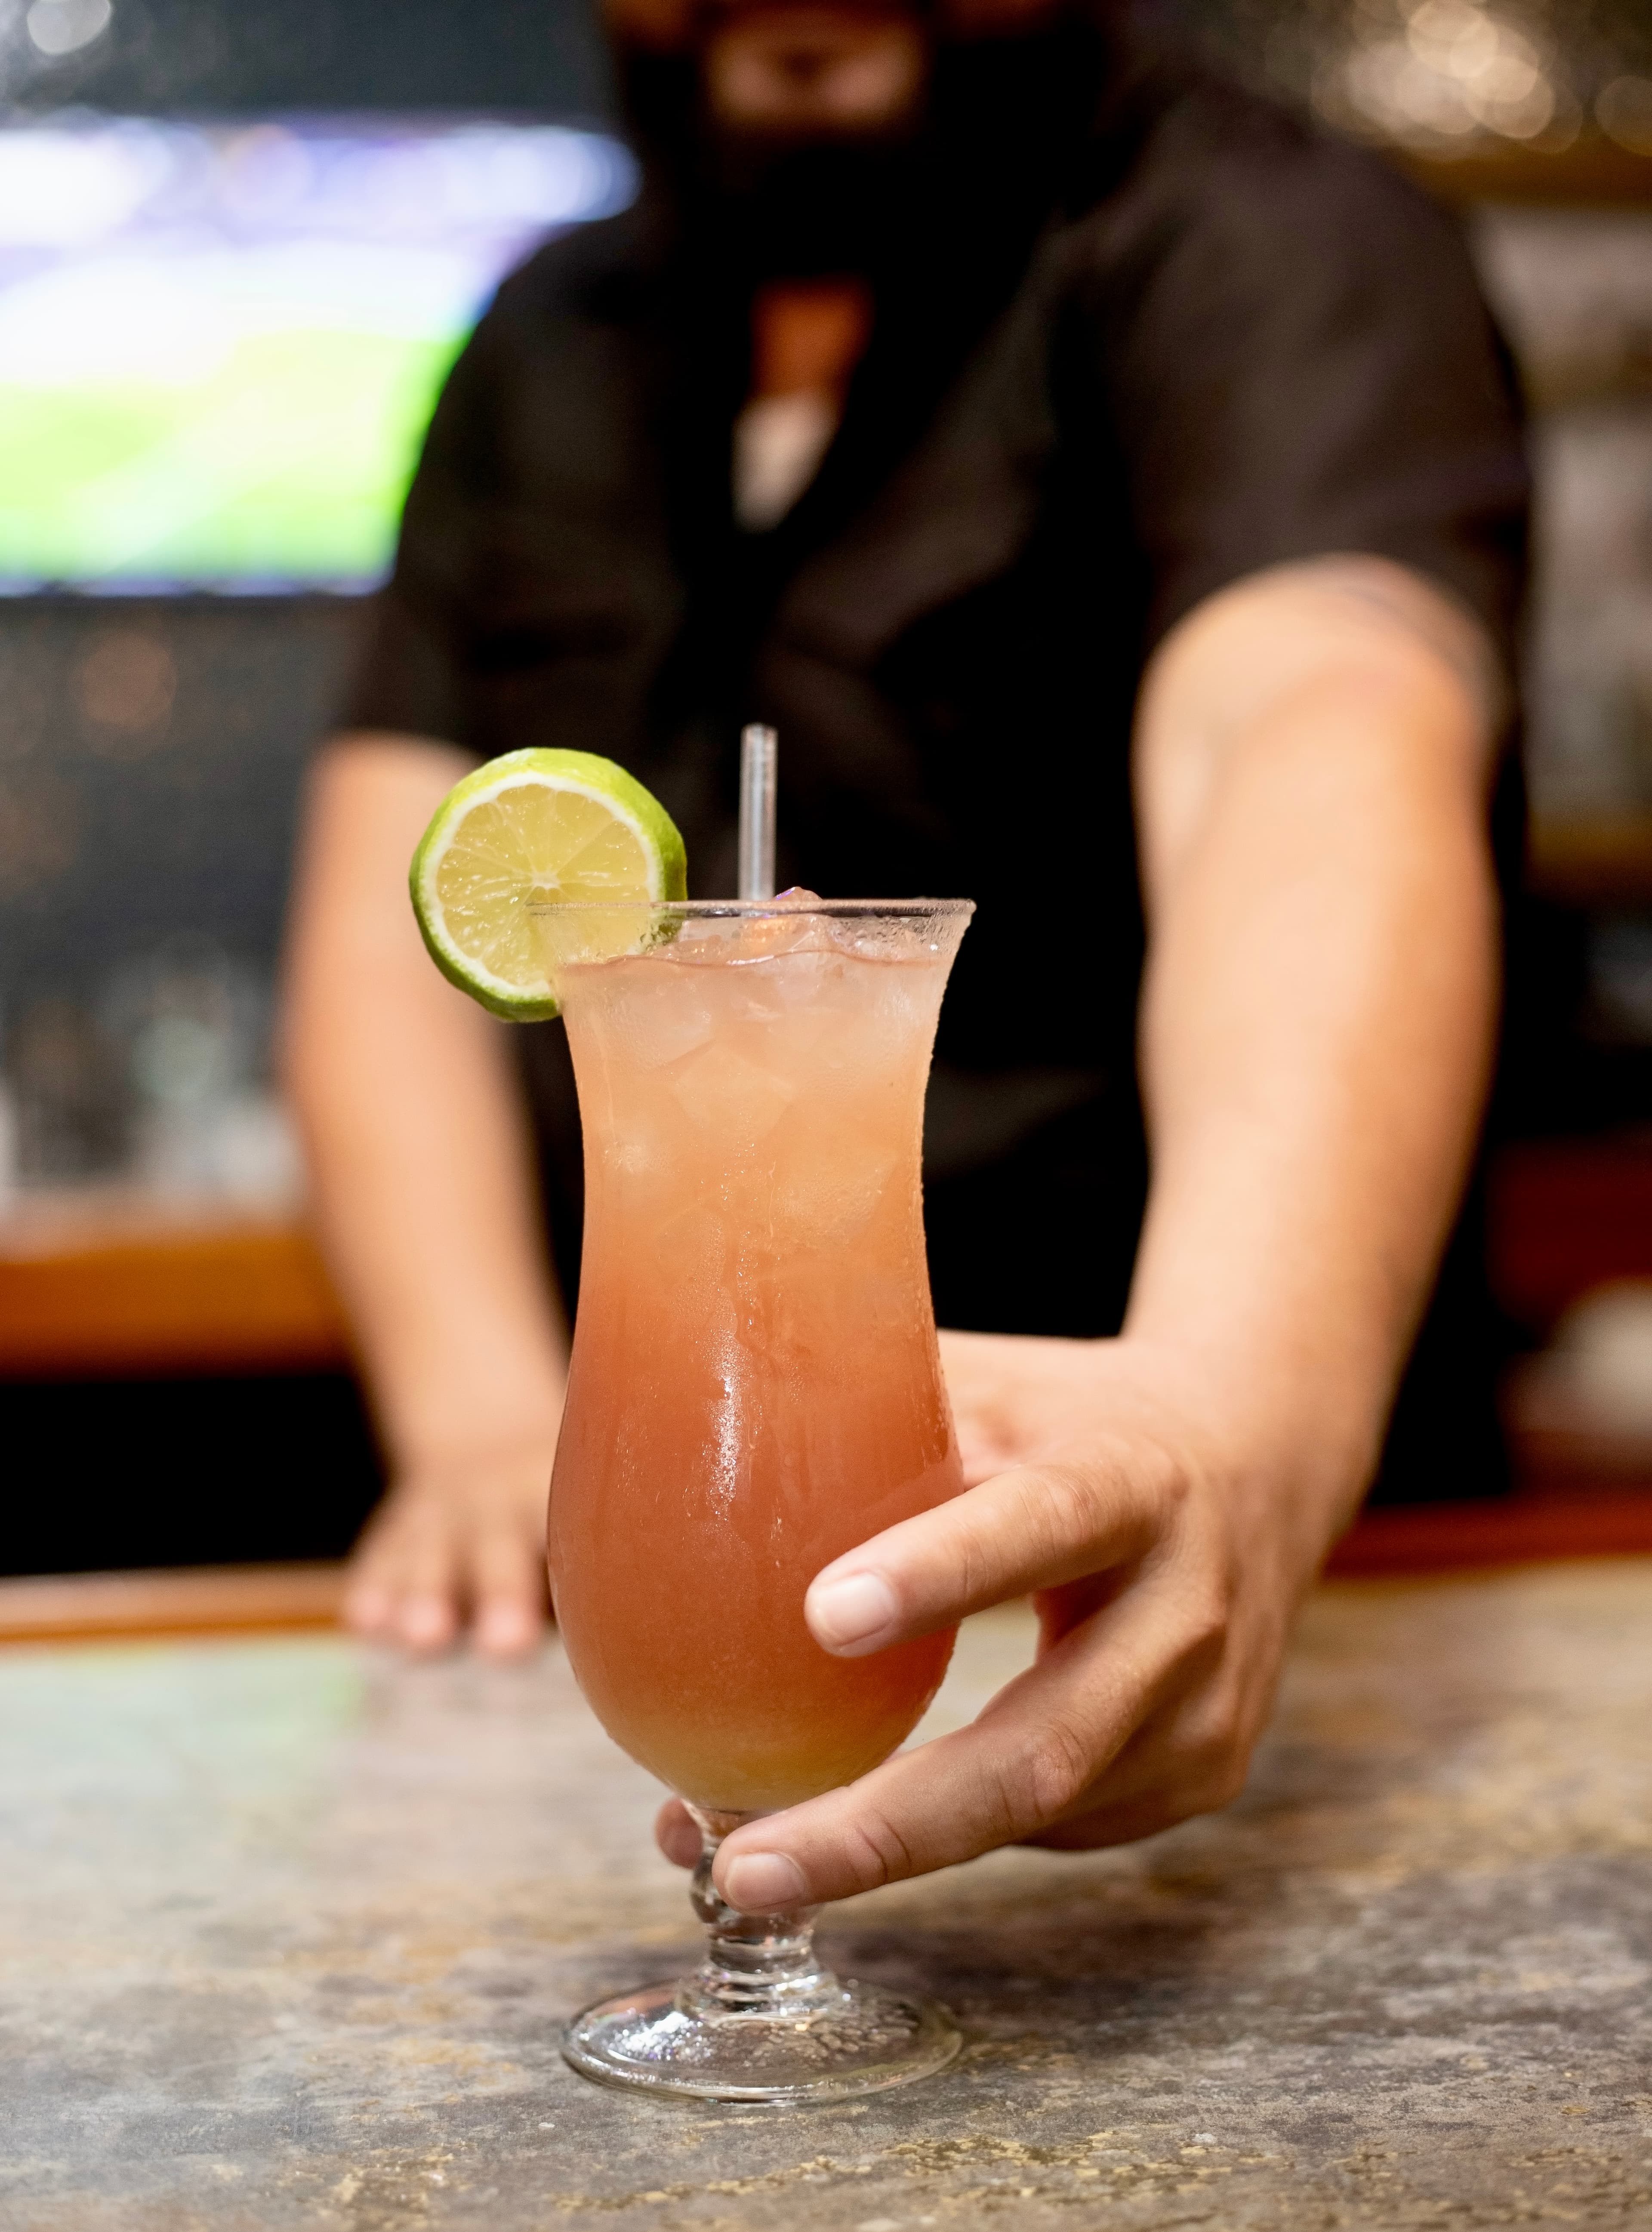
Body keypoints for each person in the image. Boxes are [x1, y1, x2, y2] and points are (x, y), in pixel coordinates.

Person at [281, 0, 1527, 1916]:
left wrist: (1241, 1406)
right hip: (634, 1561)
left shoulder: (1257, 241)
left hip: (1182, 1576)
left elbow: (1313, 729)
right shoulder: (553, 331)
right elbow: (399, 899)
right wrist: (477, 1425)